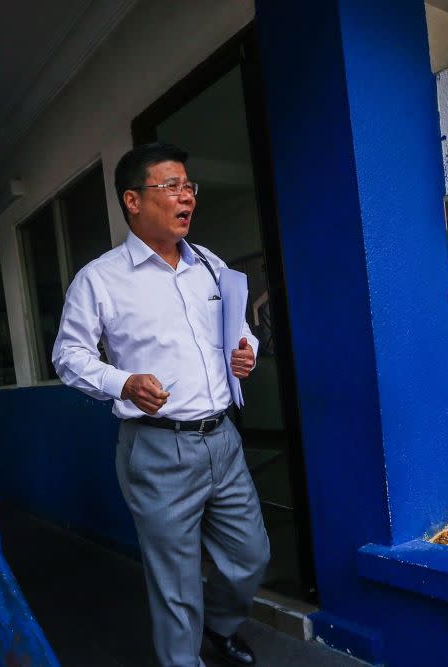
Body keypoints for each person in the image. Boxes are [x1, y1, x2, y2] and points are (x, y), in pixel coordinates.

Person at [52, 143, 270, 667]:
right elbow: (68, 356)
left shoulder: (211, 267)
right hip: (158, 449)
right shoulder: (100, 279)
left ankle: (219, 627)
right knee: (175, 583)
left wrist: (247, 351)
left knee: (250, 557)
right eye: (170, 186)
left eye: (188, 186)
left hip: (223, 439)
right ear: (133, 200)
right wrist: (123, 383)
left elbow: (240, 328)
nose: (185, 196)